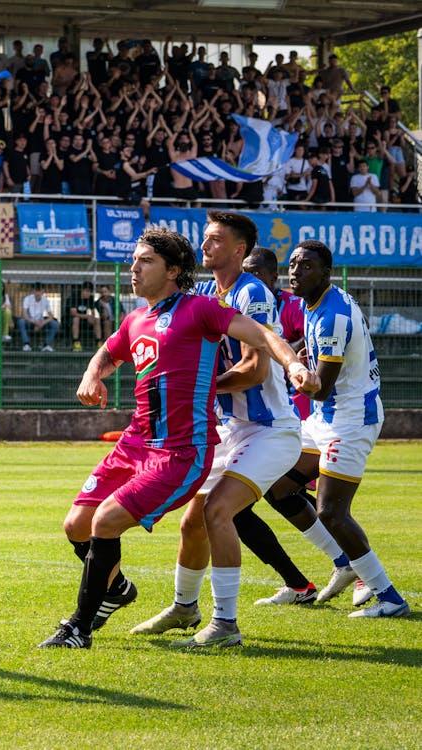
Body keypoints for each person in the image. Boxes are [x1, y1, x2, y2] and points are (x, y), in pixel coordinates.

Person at [38, 228, 318, 649]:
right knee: (76, 526)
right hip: (135, 442)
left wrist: (293, 365)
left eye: (145, 261)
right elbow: (109, 352)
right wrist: (91, 375)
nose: (134, 268)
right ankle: (117, 590)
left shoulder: (200, 309)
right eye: (134, 260)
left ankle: (78, 627)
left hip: (180, 451)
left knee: (105, 522)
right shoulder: (136, 319)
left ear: (172, 270)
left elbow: (261, 335)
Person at [131, 213, 324, 647]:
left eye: (215, 240)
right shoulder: (200, 292)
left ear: (239, 250)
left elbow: (254, 371)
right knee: (191, 524)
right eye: (204, 239)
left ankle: (226, 625)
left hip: (269, 429)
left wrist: (195, 388)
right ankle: (185, 608)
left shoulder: (252, 291)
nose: (205, 246)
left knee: (220, 512)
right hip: (231, 428)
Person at [273, 241, 409, 619]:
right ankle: (344, 563)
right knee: (278, 485)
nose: (296, 272)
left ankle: (389, 596)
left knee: (332, 512)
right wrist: (301, 356)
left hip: (350, 417)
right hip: (327, 417)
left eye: (307, 266)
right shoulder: (315, 301)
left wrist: (289, 370)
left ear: (326, 273)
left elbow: (321, 388)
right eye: (294, 264)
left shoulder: (332, 315)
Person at [18, 283, 59, 352]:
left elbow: (51, 316)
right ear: (33, 291)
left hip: (41, 322)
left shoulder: (45, 300)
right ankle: (26, 344)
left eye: (40, 291)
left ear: (43, 291)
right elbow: (24, 315)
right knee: (21, 321)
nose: (38, 293)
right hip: (30, 321)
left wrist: (43, 323)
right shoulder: (27, 299)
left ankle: (46, 345)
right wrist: (34, 322)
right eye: (36, 291)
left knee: (55, 324)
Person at [66, 281, 99, 351]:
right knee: (76, 319)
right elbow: (73, 313)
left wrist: (92, 317)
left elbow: (93, 312)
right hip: (71, 321)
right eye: (86, 291)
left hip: (84, 320)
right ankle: (76, 342)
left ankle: (98, 342)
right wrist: (87, 316)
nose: (88, 293)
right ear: (82, 290)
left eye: (90, 292)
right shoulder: (74, 297)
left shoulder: (90, 298)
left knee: (97, 319)